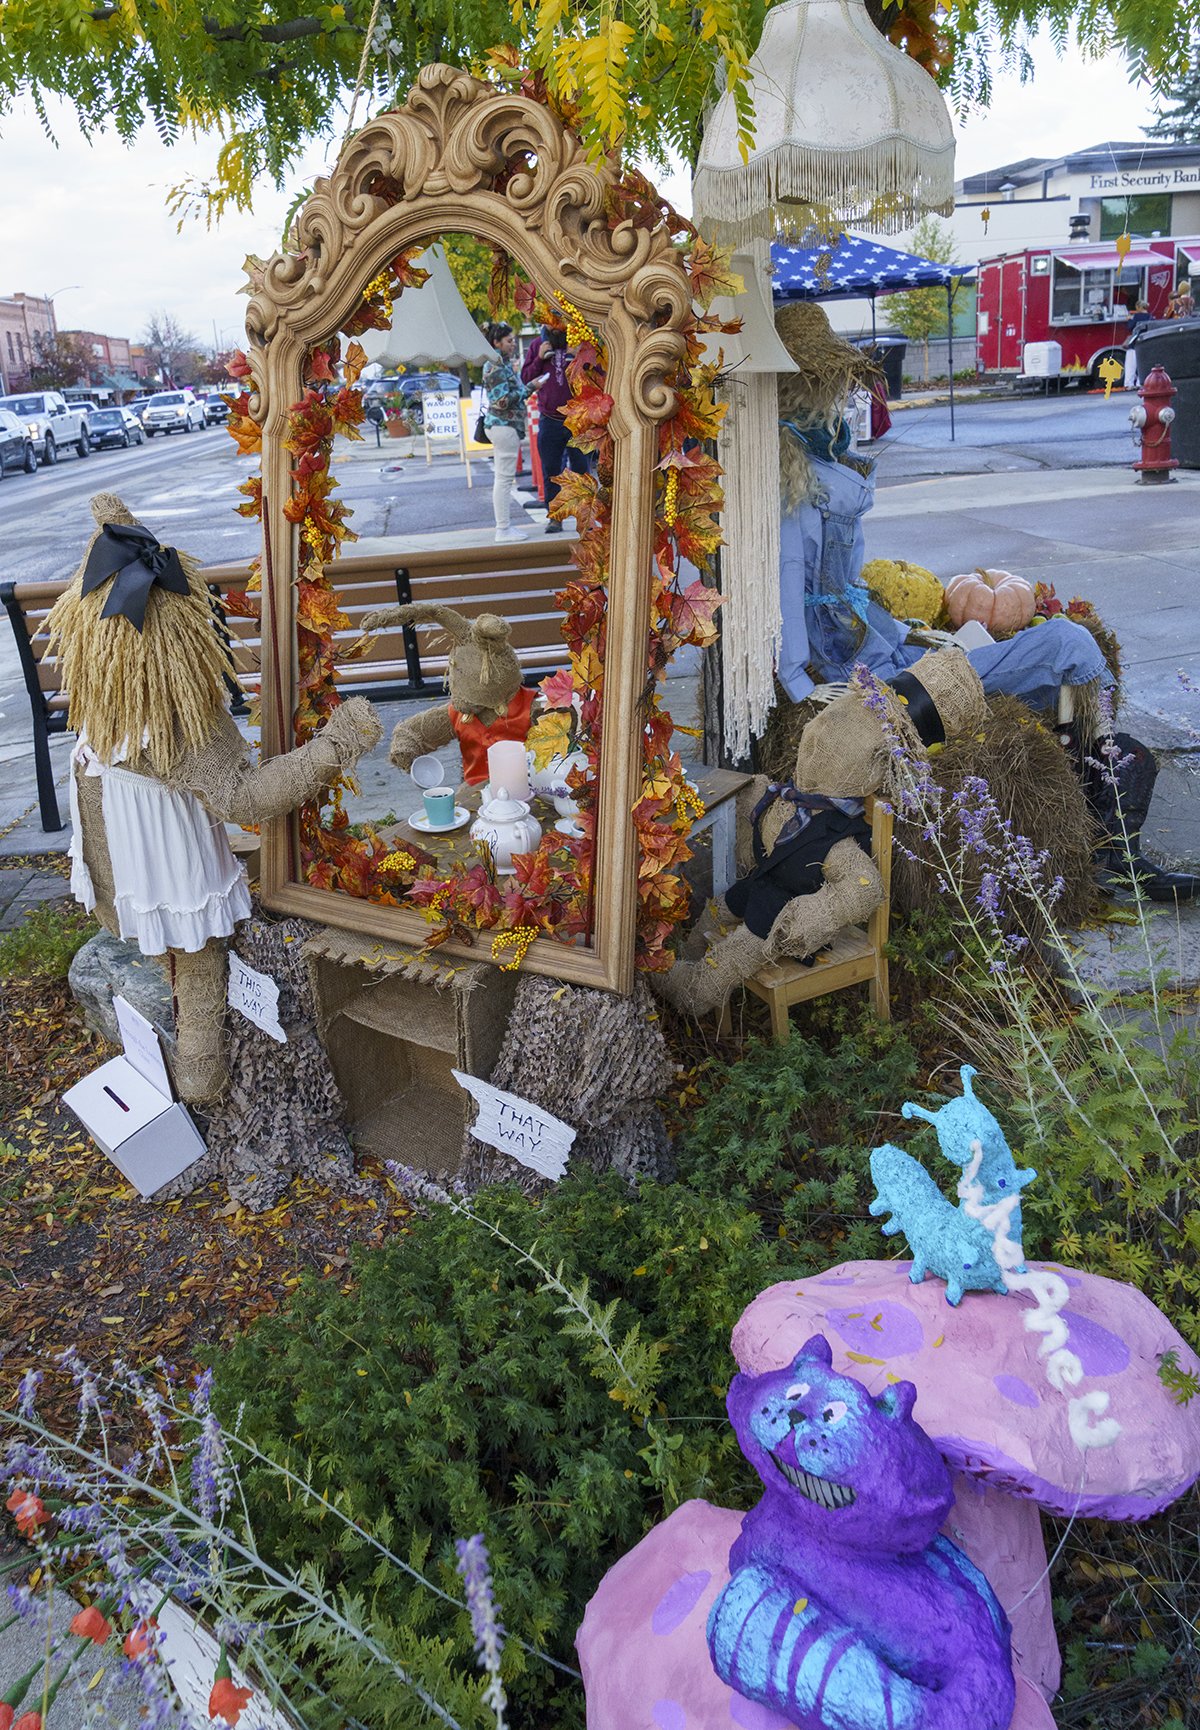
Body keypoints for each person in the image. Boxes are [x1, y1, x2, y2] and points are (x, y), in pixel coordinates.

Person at [521, 325, 588, 533]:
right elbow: (525, 378)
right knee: (551, 470)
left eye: (559, 319)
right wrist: (539, 358)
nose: (555, 325)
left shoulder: (579, 341)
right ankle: (555, 517)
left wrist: (578, 357)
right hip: (549, 419)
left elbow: (598, 374)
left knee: (581, 470)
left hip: (577, 419)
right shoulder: (537, 345)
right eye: (550, 320)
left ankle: (584, 517)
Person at [482, 322, 541, 543]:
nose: (513, 344)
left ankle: (504, 527)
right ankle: (503, 529)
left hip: (502, 426)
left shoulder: (499, 363)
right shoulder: (496, 365)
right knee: (504, 479)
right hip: (504, 425)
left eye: (513, 340)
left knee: (503, 479)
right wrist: (530, 388)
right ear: (496, 342)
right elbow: (502, 401)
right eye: (509, 341)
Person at [1124, 301, 1151, 389]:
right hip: (1145, 342)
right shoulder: (1150, 316)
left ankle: (1129, 383)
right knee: (1142, 364)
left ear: (1138, 307)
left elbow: (1130, 327)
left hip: (1134, 343)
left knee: (1131, 364)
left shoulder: (1136, 316)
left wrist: (1129, 319)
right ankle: (1140, 383)